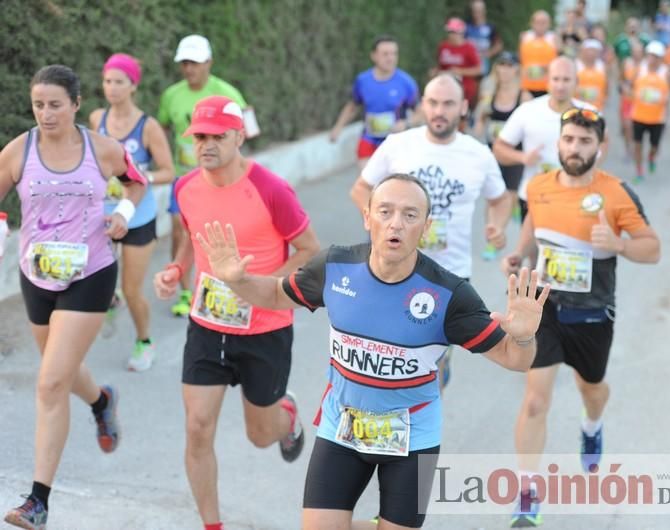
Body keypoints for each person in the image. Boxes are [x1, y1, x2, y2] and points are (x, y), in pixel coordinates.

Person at [193, 172, 551, 530]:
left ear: (425, 227)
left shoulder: (449, 295)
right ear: (367, 217)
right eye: (385, 211)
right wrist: (236, 279)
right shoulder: (335, 267)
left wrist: (522, 337)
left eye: (410, 215)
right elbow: (274, 295)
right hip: (343, 427)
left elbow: (514, 359)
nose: (395, 223)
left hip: (412, 437)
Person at [153, 95, 320, 530]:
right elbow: (193, 235)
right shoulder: (186, 187)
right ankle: (212, 524)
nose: (206, 144)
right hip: (207, 326)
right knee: (197, 427)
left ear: (239, 136)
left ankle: (286, 417)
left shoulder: (271, 189)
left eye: (217, 136)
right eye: (199, 137)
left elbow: (308, 251)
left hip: (265, 329)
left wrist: (257, 288)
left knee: (260, 435)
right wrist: (176, 268)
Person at [1, 64, 147, 529]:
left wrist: (122, 212)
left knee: (49, 384)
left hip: (92, 273)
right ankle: (102, 402)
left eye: (55, 105)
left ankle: (38, 501)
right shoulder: (17, 152)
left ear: (76, 105)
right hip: (37, 276)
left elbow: (137, 181)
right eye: (38, 104)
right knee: (58, 374)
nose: (46, 114)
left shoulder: (101, 149)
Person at [502, 108, 661, 527]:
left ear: (600, 148)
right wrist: (519, 256)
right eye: (569, 139)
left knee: (591, 389)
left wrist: (621, 245)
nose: (575, 148)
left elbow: (653, 248)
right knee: (535, 400)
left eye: (585, 141)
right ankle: (527, 495)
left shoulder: (618, 193)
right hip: (546, 308)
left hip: (592, 314)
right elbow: (534, 225)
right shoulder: (538, 186)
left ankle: (592, 425)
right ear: (559, 142)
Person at [350, 74, 512, 389]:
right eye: (433, 103)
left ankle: (423, 417)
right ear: (423, 105)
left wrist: (498, 226)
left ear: (464, 107)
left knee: (427, 370)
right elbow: (361, 189)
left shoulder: (478, 154)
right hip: (393, 269)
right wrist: (378, 223)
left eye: (448, 103)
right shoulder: (399, 144)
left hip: (449, 276)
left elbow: (501, 198)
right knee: (389, 356)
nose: (439, 111)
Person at [89, 53, 175, 371]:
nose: (112, 88)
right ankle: (110, 301)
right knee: (97, 280)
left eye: (119, 82)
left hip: (138, 217)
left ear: (133, 85)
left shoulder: (148, 126)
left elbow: (169, 170)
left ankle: (144, 342)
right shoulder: (97, 119)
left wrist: (139, 177)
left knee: (131, 287)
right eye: (107, 81)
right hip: (104, 216)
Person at [158, 34, 252, 318]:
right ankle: (185, 289)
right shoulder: (171, 95)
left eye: (195, 62)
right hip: (184, 179)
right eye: (185, 63)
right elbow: (162, 129)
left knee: (220, 233)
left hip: (222, 180)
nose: (190, 69)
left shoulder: (229, 93)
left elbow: (249, 131)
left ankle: (228, 285)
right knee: (179, 229)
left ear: (209, 62)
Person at [493, 57, 599, 222]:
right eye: (556, 79)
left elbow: (605, 140)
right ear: (547, 81)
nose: (560, 85)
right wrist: (522, 158)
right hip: (534, 197)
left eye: (566, 80)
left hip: (575, 196)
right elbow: (499, 148)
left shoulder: (589, 113)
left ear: (576, 82)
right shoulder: (528, 111)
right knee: (532, 247)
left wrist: (593, 160)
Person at [329, 36, 420, 170]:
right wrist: (338, 128)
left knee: (391, 186)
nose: (391, 58)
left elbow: (422, 112)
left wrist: (406, 123)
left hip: (396, 142)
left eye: (394, 53)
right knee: (367, 183)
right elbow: (353, 106)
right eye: (385, 54)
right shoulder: (363, 80)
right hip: (369, 139)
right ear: (374, 56)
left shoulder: (406, 82)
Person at [473, 51, 532, 244]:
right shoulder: (490, 96)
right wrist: (480, 125)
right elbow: (480, 122)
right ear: (496, 68)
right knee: (493, 196)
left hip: (515, 154)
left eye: (510, 65)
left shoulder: (524, 97)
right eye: (502, 65)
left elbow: (532, 127)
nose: (505, 70)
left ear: (517, 69)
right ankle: (491, 238)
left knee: (510, 196)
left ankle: (500, 231)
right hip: (492, 155)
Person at [630, 41, 670, 183]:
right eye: (650, 56)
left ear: (660, 58)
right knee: (637, 145)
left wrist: (664, 101)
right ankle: (639, 171)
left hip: (657, 117)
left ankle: (651, 157)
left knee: (654, 146)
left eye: (656, 56)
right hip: (638, 115)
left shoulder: (666, 72)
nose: (652, 59)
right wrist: (635, 94)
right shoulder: (639, 70)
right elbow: (629, 86)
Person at [435, 17, 482, 115]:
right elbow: (440, 66)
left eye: (455, 32)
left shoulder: (469, 48)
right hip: (446, 87)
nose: (452, 35)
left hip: (465, 89)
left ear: (461, 33)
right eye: (450, 32)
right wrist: (435, 72)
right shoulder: (443, 46)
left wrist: (459, 71)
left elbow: (478, 70)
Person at [518, 11, 559, 98]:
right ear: (532, 23)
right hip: (527, 87)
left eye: (544, 22)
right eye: (537, 22)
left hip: (547, 88)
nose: (540, 25)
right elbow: (520, 60)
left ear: (549, 24)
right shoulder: (525, 37)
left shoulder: (554, 39)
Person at [465, 0, 504, 79]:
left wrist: (488, 53)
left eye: (479, 10)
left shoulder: (490, 27)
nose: (477, 13)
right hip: (467, 69)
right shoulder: (466, 27)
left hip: (485, 68)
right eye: (475, 10)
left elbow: (499, 45)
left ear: (484, 11)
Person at [618, 42, 644, 158]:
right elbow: (621, 79)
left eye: (639, 52)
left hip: (640, 101)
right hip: (627, 99)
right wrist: (624, 87)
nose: (637, 54)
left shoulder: (645, 66)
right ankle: (628, 147)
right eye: (635, 51)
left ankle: (636, 147)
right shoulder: (626, 63)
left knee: (636, 127)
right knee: (627, 126)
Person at [576, 39, 610, 112]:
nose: (591, 53)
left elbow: (607, 86)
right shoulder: (576, 65)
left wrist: (604, 99)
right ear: (583, 51)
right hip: (578, 107)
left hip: (597, 108)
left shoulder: (602, 67)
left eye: (594, 51)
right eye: (589, 50)